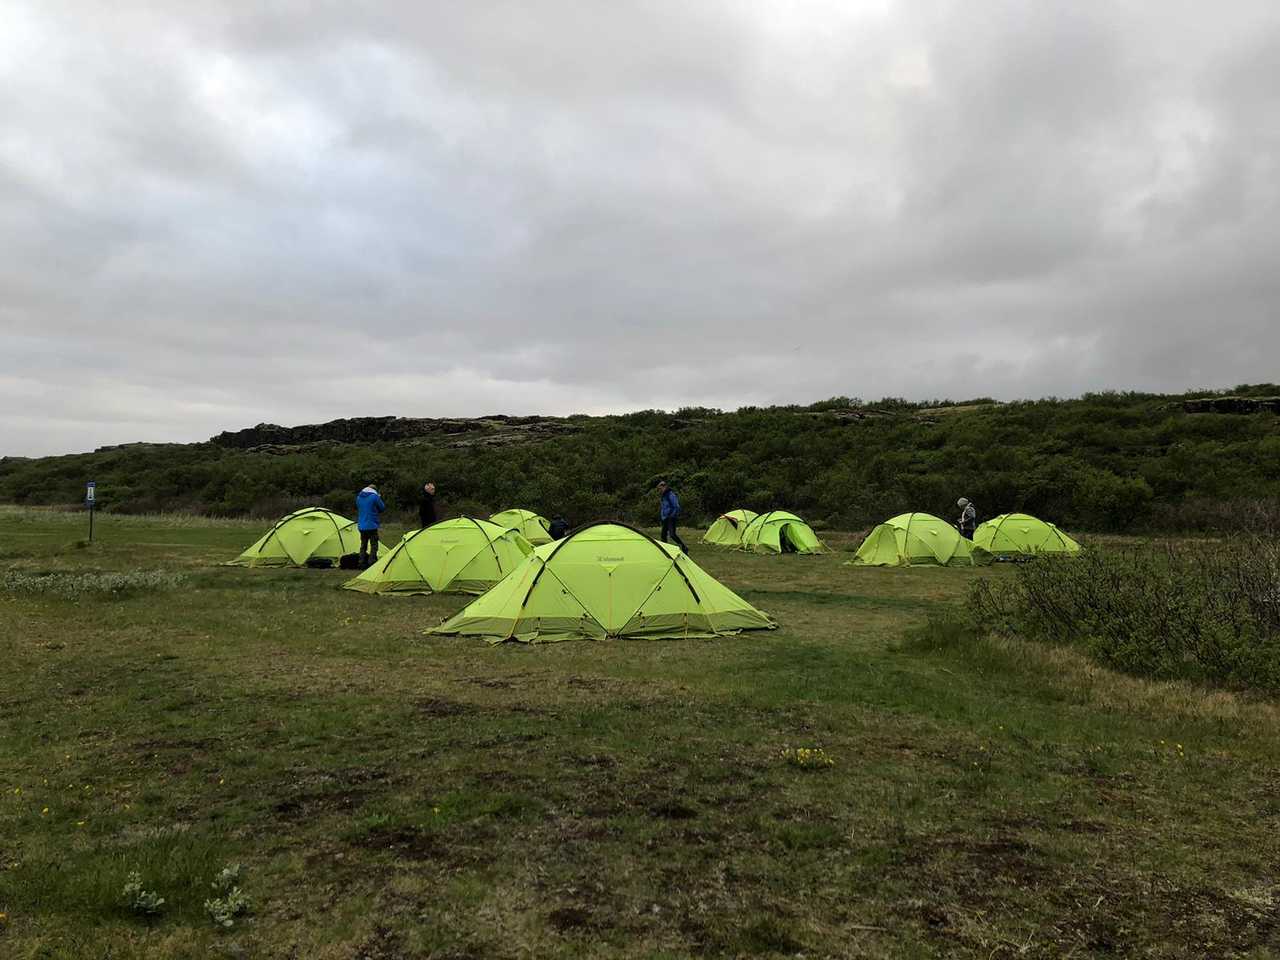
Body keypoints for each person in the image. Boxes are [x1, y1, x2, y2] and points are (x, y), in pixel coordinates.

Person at [356, 484, 386, 567]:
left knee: (363, 545)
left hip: (361, 525)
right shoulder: (374, 497)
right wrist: (379, 497)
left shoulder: (359, 497)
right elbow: (382, 508)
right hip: (371, 525)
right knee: (374, 545)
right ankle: (371, 562)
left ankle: (361, 562)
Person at [657, 480, 688, 552]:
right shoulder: (664, 496)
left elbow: (676, 506)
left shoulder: (670, 494)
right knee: (663, 535)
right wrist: (663, 516)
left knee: (672, 534)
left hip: (671, 518)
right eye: (659, 489)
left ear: (664, 487)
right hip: (665, 518)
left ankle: (684, 547)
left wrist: (672, 515)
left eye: (660, 488)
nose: (660, 490)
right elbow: (664, 507)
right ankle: (665, 550)